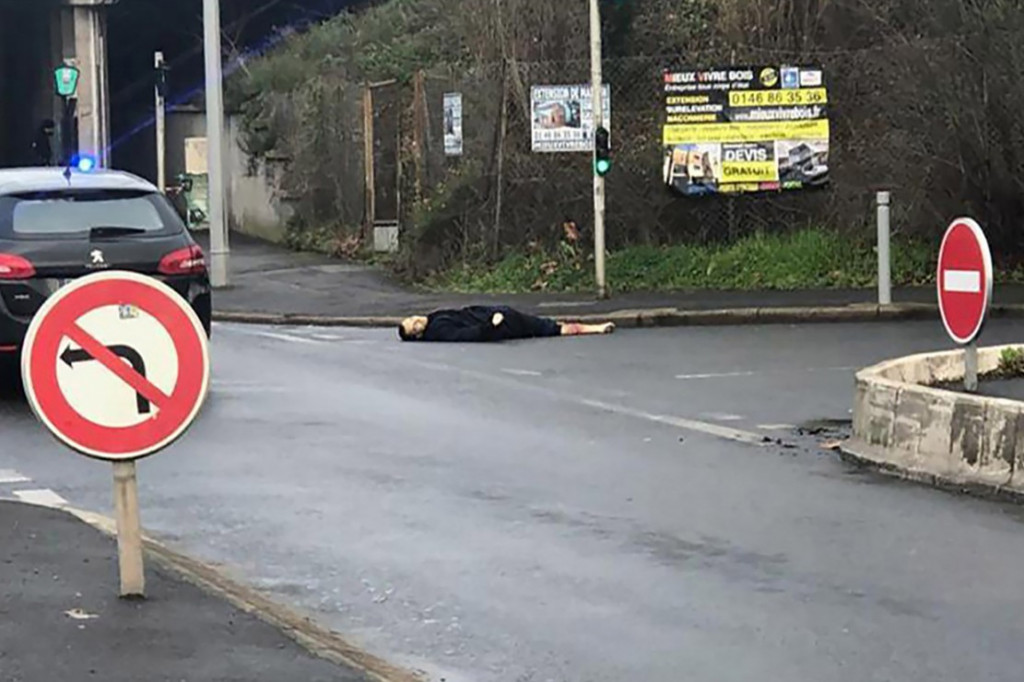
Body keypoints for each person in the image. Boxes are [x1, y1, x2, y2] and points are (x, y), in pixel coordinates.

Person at [398, 305, 615, 343]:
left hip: (495, 314)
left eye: (411, 319)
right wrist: (492, 325)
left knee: (547, 327)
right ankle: (596, 328)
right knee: (548, 328)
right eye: (414, 327)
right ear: (418, 335)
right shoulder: (439, 330)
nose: (416, 321)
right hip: (499, 323)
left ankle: (595, 328)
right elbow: (467, 335)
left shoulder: (433, 319)